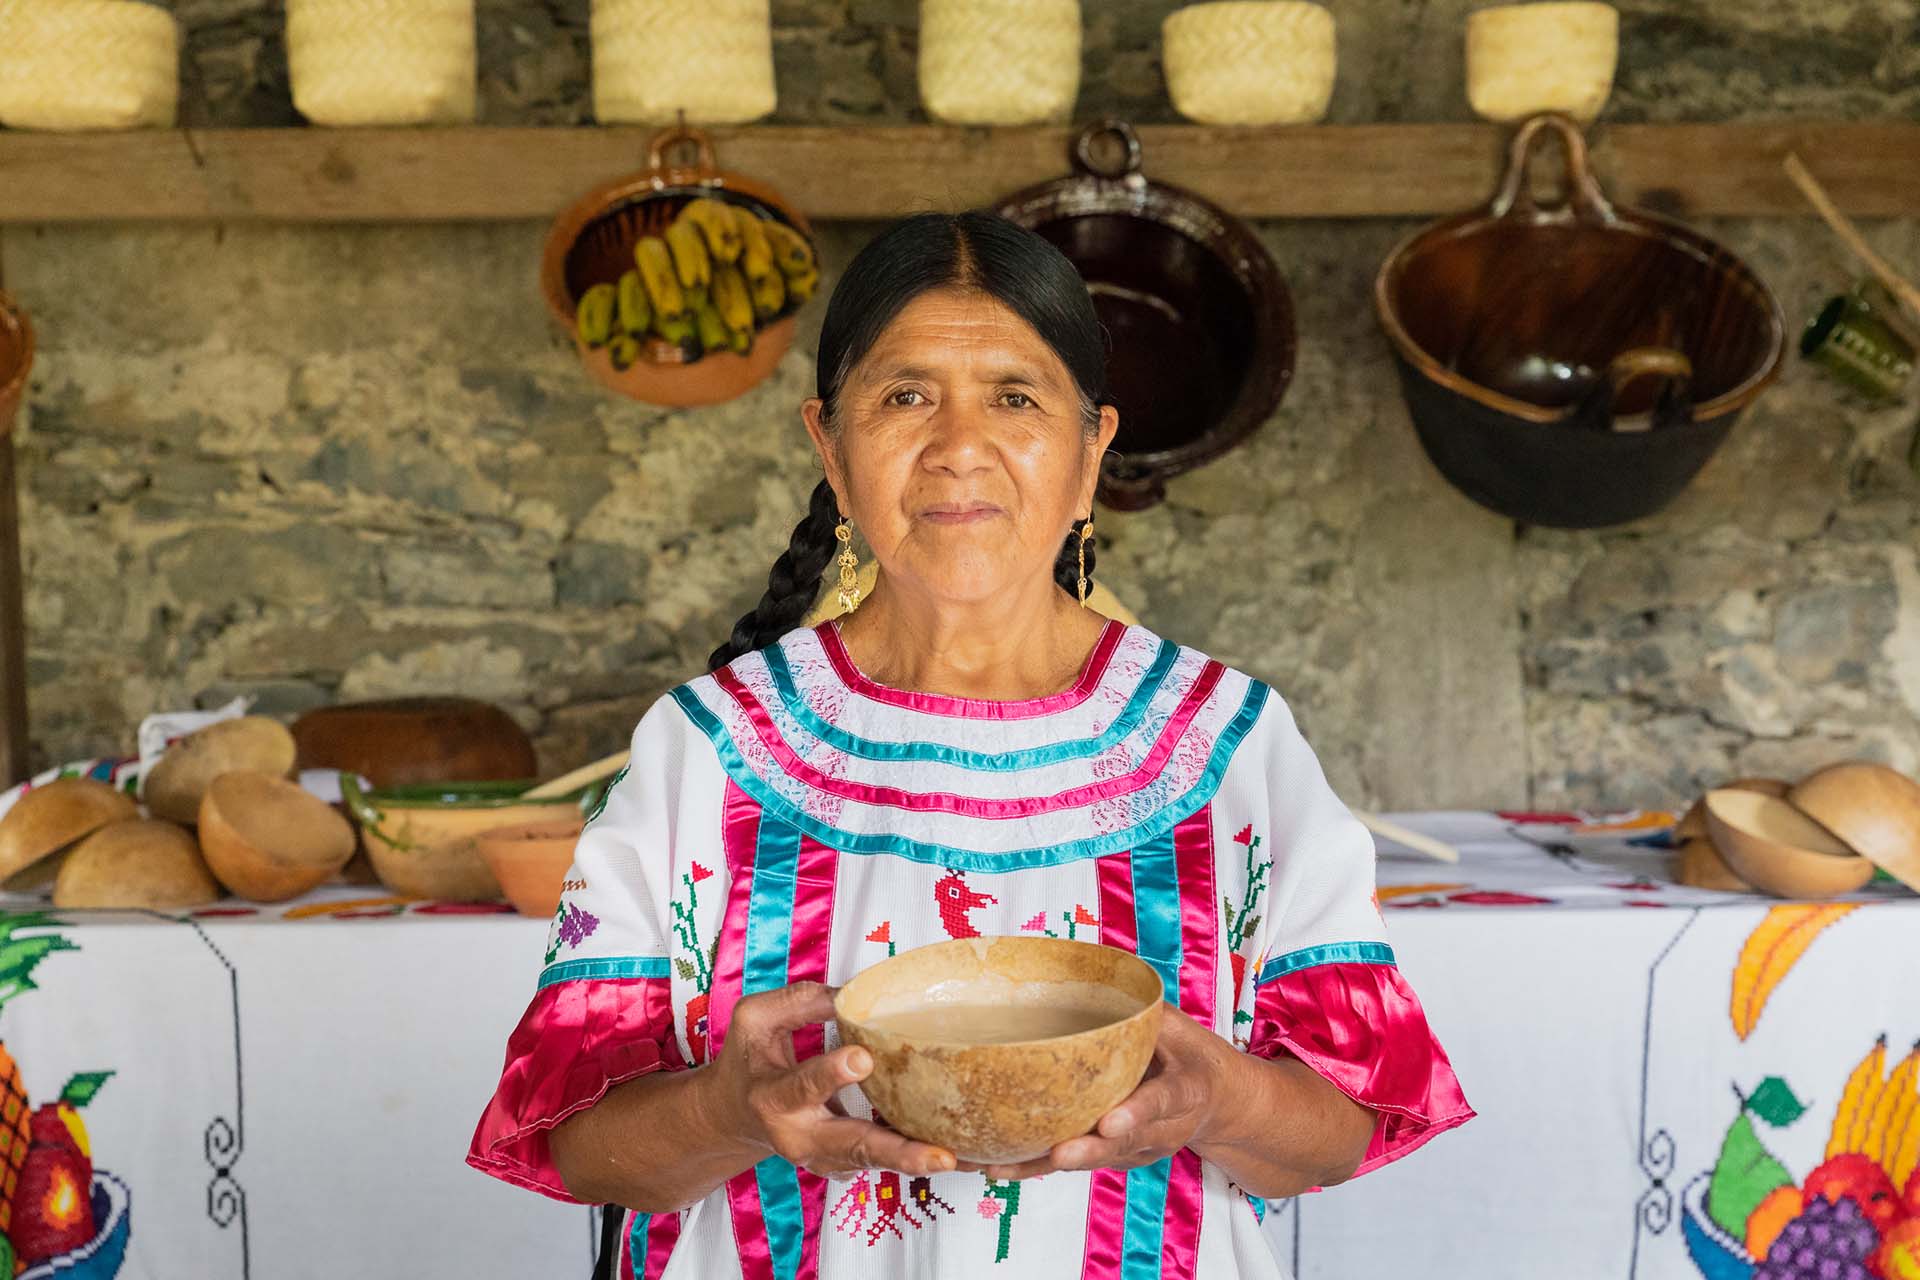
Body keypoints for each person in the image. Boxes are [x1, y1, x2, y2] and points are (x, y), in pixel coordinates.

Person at [468, 211, 1472, 1279]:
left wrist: (1219, 1096)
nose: (958, 446)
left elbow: (1349, 1123)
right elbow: (579, 1145)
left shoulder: (1226, 746)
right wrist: (734, 1108)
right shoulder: (709, 748)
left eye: (1016, 396)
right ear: (830, 448)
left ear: (1090, 454)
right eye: (905, 396)